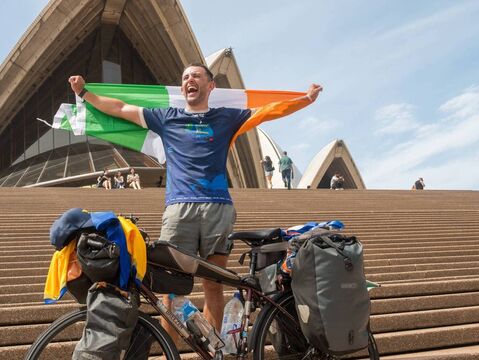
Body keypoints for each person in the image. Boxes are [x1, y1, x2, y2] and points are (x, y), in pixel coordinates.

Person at [69, 65, 322, 338]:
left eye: (196, 76)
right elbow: (119, 108)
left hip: (218, 208)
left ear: (210, 86)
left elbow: (267, 111)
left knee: (213, 285)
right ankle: (172, 354)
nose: (190, 80)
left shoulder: (226, 118)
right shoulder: (166, 117)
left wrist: (304, 100)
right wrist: (84, 92)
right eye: (185, 77)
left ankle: (213, 353)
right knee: (171, 289)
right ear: (182, 88)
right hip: (179, 209)